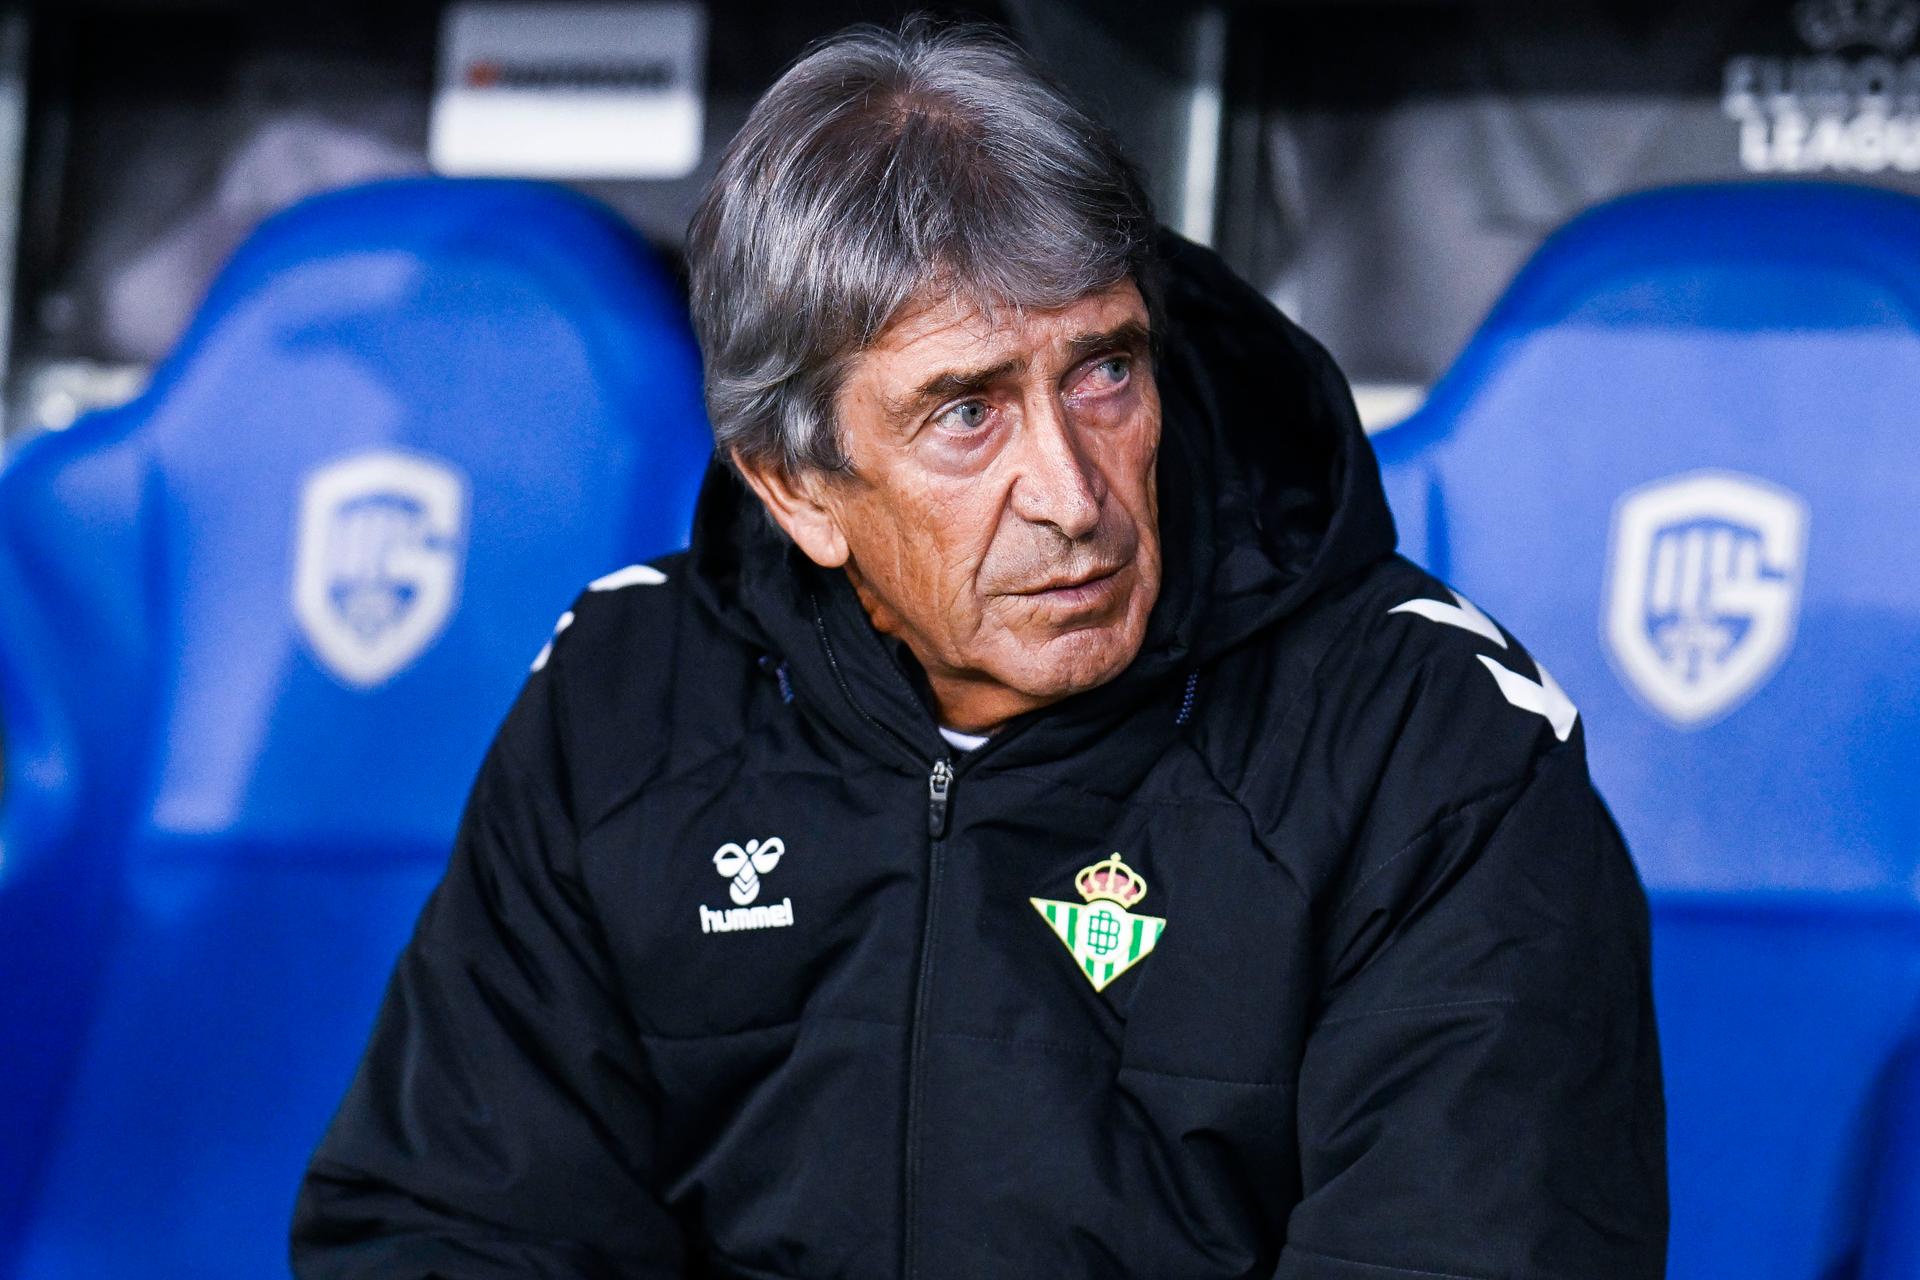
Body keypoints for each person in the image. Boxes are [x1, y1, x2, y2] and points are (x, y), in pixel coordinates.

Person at [292, 19, 1666, 1279]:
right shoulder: (628, 697)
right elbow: (449, 1228)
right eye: (967, 413)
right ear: (797, 486)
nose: (1074, 497)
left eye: (1104, 371)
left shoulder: (1430, 743)